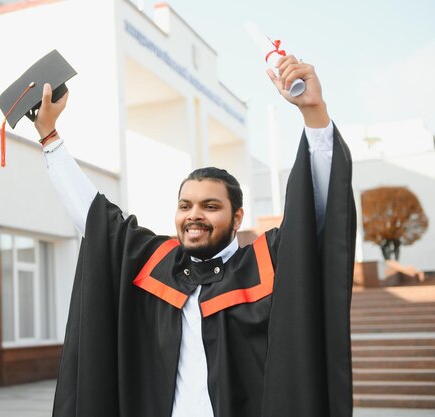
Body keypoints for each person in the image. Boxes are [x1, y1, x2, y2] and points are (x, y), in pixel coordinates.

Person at [34, 55, 356, 417]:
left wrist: (314, 116)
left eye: (210, 206)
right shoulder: (156, 265)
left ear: (237, 217)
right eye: (185, 205)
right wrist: (50, 138)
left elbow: (317, 215)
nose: (194, 216)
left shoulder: (267, 265)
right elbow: (93, 219)